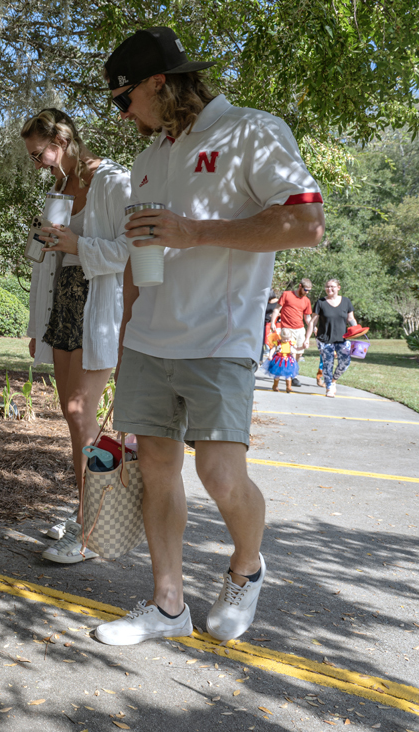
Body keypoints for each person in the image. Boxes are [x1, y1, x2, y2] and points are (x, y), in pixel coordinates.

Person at [96, 27, 324, 646]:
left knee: (221, 476)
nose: (125, 117)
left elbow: (306, 225)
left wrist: (192, 233)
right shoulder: (146, 160)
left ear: (157, 84)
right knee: (159, 472)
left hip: (220, 339)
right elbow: (136, 260)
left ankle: (247, 566)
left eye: (124, 101)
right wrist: (123, 347)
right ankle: (167, 605)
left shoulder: (252, 130)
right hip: (147, 342)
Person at [20, 108, 132, 564]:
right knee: (73, 420)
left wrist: (75, 245)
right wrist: (35, 326)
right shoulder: (59, 191)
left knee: (78, 412)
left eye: (40, 153)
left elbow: (133, 250)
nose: (37, 163)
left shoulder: (111, 181)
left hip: (97, 310)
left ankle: (89, 533)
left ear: (63, 140)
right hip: (61, 309)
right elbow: (44, 262)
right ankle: (86, 510)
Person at [311, 279, 358, 398]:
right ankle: (328, 388)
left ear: (338, 287)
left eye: (332, 286)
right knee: (328, 363)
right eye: (327, 286)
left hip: (343, 338)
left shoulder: (346, 301)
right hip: (324, 338)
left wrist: (356, 329)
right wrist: (309, 335)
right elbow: (313, 321)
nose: (329, 289)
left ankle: (333, 380)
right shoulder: (320, 302)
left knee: (345, 362)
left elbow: (350, 318)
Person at [270, 279, 314, 386]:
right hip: (287, 329)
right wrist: (273, 323)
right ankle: (291, 376)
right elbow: (277, 309)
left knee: (299, 352)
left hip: (300, 329)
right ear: (300, 286)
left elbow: (307, 318)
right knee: (290, 352)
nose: (307, 292)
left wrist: (313, 326)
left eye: (309, 290)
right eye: (305, 290)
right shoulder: (287, 294)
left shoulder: (306, 301)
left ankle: (291, 371)